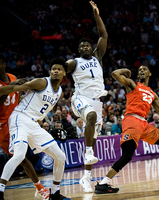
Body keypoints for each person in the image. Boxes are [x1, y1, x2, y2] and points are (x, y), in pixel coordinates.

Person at [94, 66, 159, 194]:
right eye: (139, 70)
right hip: (132, 120)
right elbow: (115, 74)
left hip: (144, 124)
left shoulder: (152, 93)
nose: (141, 71)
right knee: (127, 155)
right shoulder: (133, 85)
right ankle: (103, 183)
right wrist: (126, 71)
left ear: (149, 73)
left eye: (144, 69)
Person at [0, 57, 69, 200]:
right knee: (19, 155)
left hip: (33, 123)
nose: (55, 71)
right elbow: (13, 88)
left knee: (60, 156)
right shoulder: (41, 82)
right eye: (53, 69)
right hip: (20, 118)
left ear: (64, 73)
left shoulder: (59, 91)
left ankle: (55, 192)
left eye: (59, 69)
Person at [65, 1, 108, 193]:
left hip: (96, 103)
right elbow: (58, 70)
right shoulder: (74, 62)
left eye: (86, 45)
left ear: (92, 48)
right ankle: (88, 153)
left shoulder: (98, 57)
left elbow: (103, 35)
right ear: (78, 50)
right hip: (80, 99)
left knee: (94, 140)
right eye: (81, 46)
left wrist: (97, 15)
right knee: (90, 117)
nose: (84, 47)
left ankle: (86, 178)